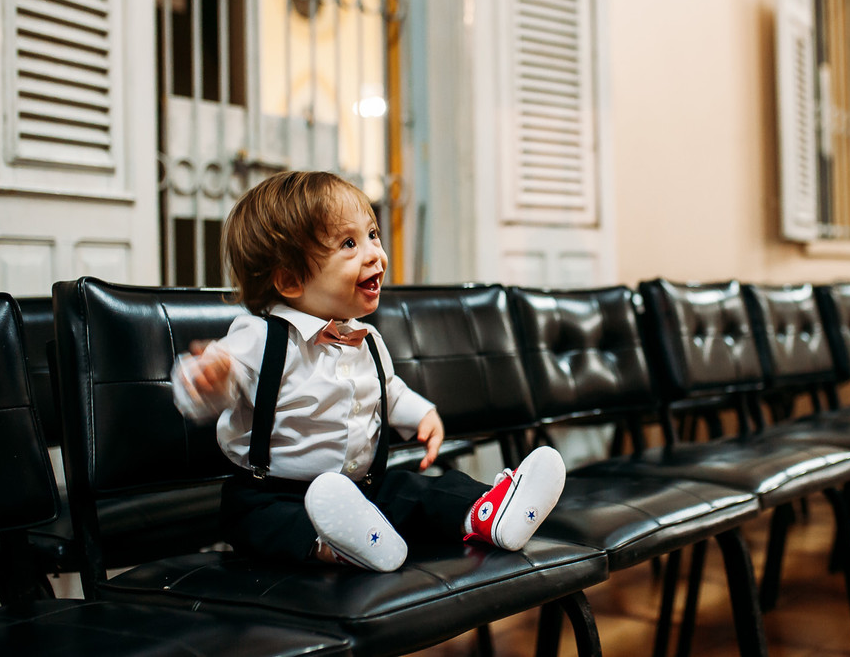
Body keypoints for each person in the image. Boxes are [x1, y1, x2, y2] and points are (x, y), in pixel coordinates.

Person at [172, 170, 565, 571]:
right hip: (273, 495)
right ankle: (337, 545)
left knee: (418, 490)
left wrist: (422, 414)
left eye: (373, 234)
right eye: (349, 243)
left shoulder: (367, 339)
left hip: (363, 492)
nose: (375, 253)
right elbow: (208, 392)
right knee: (268, 524)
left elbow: (388, 390)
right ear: (290, 280)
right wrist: (207, 379)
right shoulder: (258, 337)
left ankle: (490, 514)